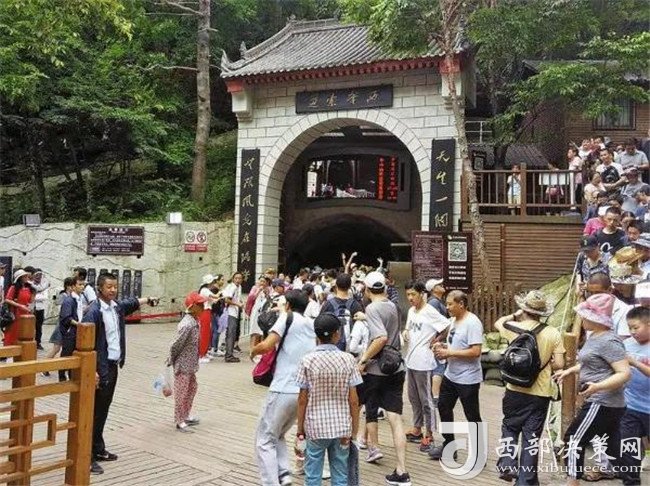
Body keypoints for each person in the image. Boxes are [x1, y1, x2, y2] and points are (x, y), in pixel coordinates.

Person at [82, 272, 158, 475]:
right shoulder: (94, 312)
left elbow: (131, 303)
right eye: (109, 287)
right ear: (99, 288)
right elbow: (87, 344)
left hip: (113, 366)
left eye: (115, 286)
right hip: (99, 368)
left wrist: (148, 299)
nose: (113, 290)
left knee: (103, 410)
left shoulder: (116, 307)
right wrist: (93, 370)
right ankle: (86, 457)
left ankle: (98, 449)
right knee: (93, 412)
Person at [553, 293, 631, 486]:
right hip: (604, 401)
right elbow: (592, 363)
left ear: (596, 319)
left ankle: (573, 481)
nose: (582, 319)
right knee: (612, 446)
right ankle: (631, 479)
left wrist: (598, 386)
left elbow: (624, 373)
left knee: (573, 438)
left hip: (602, 401)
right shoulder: (594, 336)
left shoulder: (609, 341)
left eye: (585, 316)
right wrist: (570, 371)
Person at [494, 291, 565, 485]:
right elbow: (559, 364)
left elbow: (498, 322)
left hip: (514, 388)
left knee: (510, 426)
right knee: (531, 437)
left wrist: (514, 315)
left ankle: (508, 463)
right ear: (542, 313)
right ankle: (525, 481)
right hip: (539, 392)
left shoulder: (513, 327)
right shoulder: (553, 333)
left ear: (524, 309)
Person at [250, 290, 316, 486]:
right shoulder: (311, 324)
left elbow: (268, 345)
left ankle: (271, 482)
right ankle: (283, 474)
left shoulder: (287, 317)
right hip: (302, 391)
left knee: (264, 439)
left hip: (282, 387)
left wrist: (253, 349)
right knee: (278, 434)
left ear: (288, 304)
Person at [354, 271, 411, 486]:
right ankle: (402, 470)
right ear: (385, 288)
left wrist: (363, 360)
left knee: (363, 409)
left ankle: (358, 454)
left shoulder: (372, 308)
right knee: (395, 419)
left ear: (367, 290)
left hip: (376, 371)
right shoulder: (393, 306)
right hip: (396, 368)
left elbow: (380, 338)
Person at [296, 314, 362, 486]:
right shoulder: (348, 359)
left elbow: (302, 399)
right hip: (342, 427)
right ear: (337, 334)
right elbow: (354, 400)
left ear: (316, 335)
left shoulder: (307, 360)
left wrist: (300, 429)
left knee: (312, 475)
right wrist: (354, 430)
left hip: (315, 426)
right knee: (340, 476)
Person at [430, 290, 483, 461]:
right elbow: (456, 344)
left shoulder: (472, 323)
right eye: (446, 304)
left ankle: (478, 454)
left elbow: (476, 351)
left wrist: (449, 353)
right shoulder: (453, 321)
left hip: (468, 378)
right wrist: (442, 346)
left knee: (472, 415)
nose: (447, 307)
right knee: (443, 407)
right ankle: (449, 445)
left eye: (450, 304)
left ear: (461, 304)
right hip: (451, 374)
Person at [402, 281, 449, 453]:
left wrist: (437, 340)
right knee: (413, 397)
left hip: (424, 362)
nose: (410, 298)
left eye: (413, 294)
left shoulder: (430, 311)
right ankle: (417, 428)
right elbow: (408, 328)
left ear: (422, 294)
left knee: (426, 400)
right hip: (411, 360)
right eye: (408, 294)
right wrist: (405, 332)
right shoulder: (411, 311)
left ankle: (429, 433)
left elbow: (446, 325)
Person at [613, 306, 650, 486]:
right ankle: (631, 482)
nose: (632, 331)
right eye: (630, 328)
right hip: (630, 405)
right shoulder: (626, 345)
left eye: (636, 327)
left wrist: (634, 362)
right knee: (629, 448)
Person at [168, 291, 204, 433]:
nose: (202, 307)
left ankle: (185, 415)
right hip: (183, 364)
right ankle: (179, 420)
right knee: (182, 392)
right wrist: (171, 359)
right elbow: (176, 344)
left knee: (192, 388)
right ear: (192, 306)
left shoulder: (194, 321)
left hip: (190, 364)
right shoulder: (187, 324)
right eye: (200, 305)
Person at [319, 273, 363, 351]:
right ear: (350, 286)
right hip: (351, 348)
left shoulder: (328, 304)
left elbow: (320, 324)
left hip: (331, 348)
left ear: (336, 285)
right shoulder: (356, 305)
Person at [58, 276, 85, 382]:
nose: (82, 287)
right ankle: (62, 376)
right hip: (70, 332)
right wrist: (78, 324)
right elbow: (66, 318)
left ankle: (71, 376)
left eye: (83, 285)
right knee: (66, 354)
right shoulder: (69, 300)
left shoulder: (80, 298)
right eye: (80, 284)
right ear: (73, 286)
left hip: (77, 331)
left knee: (74, 355)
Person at [4, 269, 35, 347]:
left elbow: (31, 301)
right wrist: (20, 305)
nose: (26, 278)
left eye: (27, 276)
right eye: (24, 276)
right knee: (13, 331)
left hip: (25, 313)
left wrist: (34, 293)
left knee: (23, 332)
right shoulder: (14, 287)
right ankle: (8, 349)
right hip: (15, 313)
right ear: (20, 278)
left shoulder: (29, 288)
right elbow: (7, 299)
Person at [222, 272, 244, 363]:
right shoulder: (232, 287)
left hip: (235, 312)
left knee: (231, 334)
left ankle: (229, 354)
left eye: (240, 278)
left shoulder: (239, 287)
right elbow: (227, 300)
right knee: (231, 334)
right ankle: (229, 356)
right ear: (233, 279)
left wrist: (239, 302)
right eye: (236, 278)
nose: (238, 280)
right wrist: (238, 304)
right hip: (230, 313)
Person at [198, 274, 219, 363]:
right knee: (204, 333)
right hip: (204, 312)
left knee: (208, 333)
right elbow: (215, 296)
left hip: (207, 312)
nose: (214, 283)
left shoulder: (206, 290)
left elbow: (213, 300)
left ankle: (205, 352)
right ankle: (201, 354)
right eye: (213, 282)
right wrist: (222, 293)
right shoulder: (204, 290)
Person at [31, 269, 49, 350]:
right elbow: (30, 298)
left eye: (40, 275)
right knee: (30, 326)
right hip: (32, 308)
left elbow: (45, 297)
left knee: (39, 327)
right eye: (37, 275)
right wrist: (37, 297)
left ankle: (38, 342)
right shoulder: (31, 285)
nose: (38, 277)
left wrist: (35, 297)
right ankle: (30, 342)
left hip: (40, 309)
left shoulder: (44, 285)